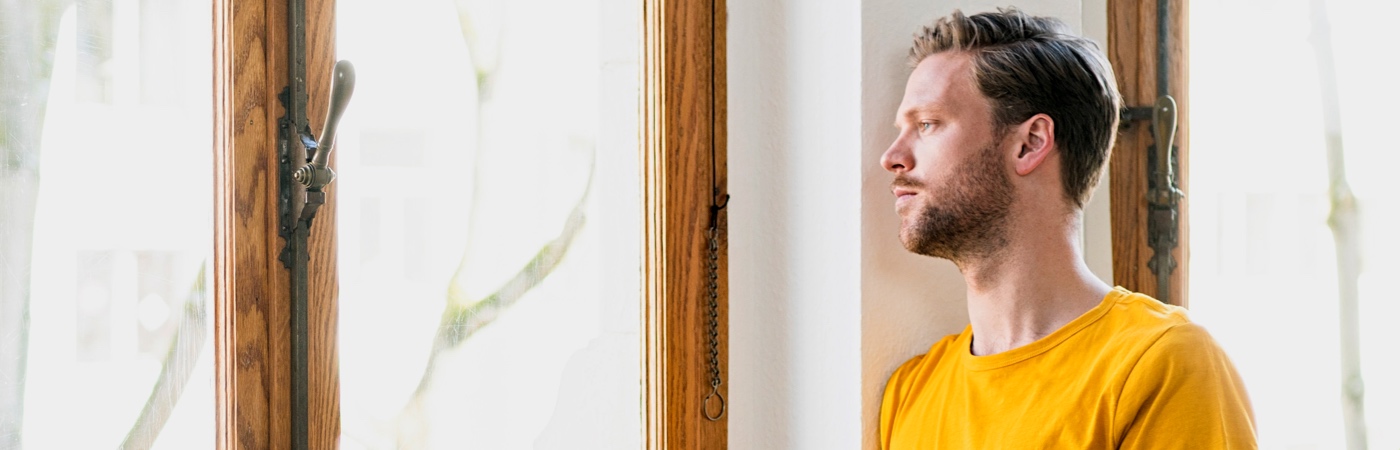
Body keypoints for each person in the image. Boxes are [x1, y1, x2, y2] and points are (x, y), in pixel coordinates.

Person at [877, 8, 1256, 449]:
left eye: (927, 125)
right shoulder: (911, 392)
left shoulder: (1160, 364)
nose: (893, 156)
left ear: (1030, 143)